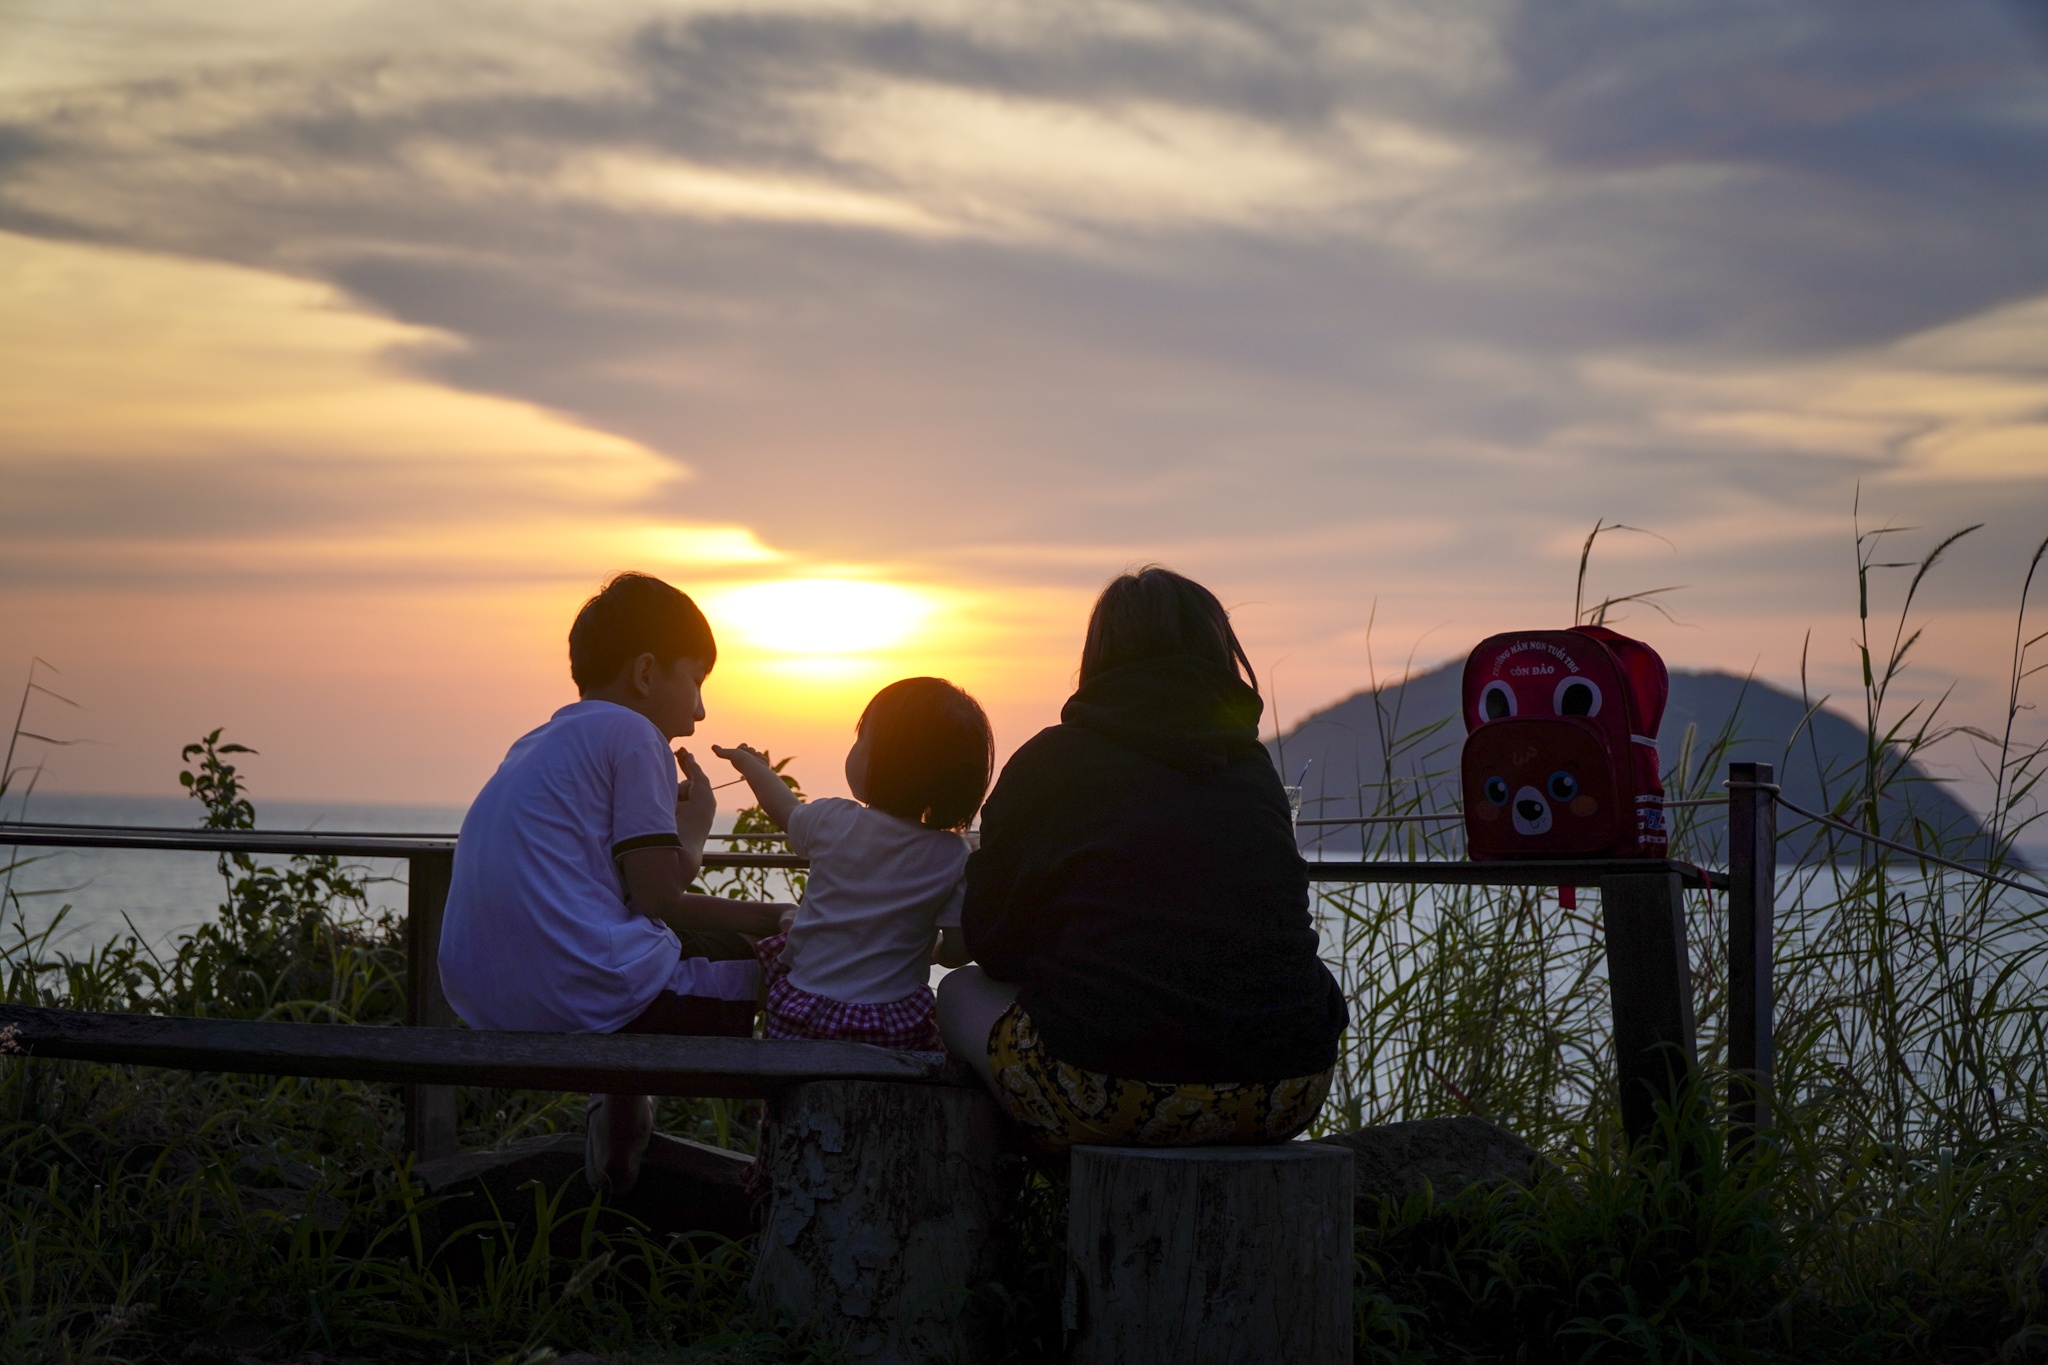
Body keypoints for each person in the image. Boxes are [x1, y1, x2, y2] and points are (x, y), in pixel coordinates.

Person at [936, 566, 1348, 1150]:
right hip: (1287, 1089)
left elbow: (994, 945)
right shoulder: (1253, 770)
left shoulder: (1049, 764)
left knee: (957, 991)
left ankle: (1022, 1211)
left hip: (1107, 1090)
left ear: (1098, 654)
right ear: (1216, 650)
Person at [438, 572, 790, 1193]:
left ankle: (619, 1141)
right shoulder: (634, 735)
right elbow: (656, 897)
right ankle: (796, 1171)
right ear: (648, 673)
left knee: (645, 949)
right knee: (796, 971)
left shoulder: (539, 741)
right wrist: (772, 914)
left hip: (485, 996)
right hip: (573, 996)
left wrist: (684, 831)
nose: (702, 709)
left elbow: (638, 896)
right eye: (698, 680)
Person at [714, 677, 989, 1050]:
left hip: (801, 1012)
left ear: (885, 759)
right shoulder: (952, 854)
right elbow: (959, 950)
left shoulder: (834, 820)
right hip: (892, 1027)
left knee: (785, 1096)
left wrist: (751, 766)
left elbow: (784, 809)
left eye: (862, 739)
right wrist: (932, 951)